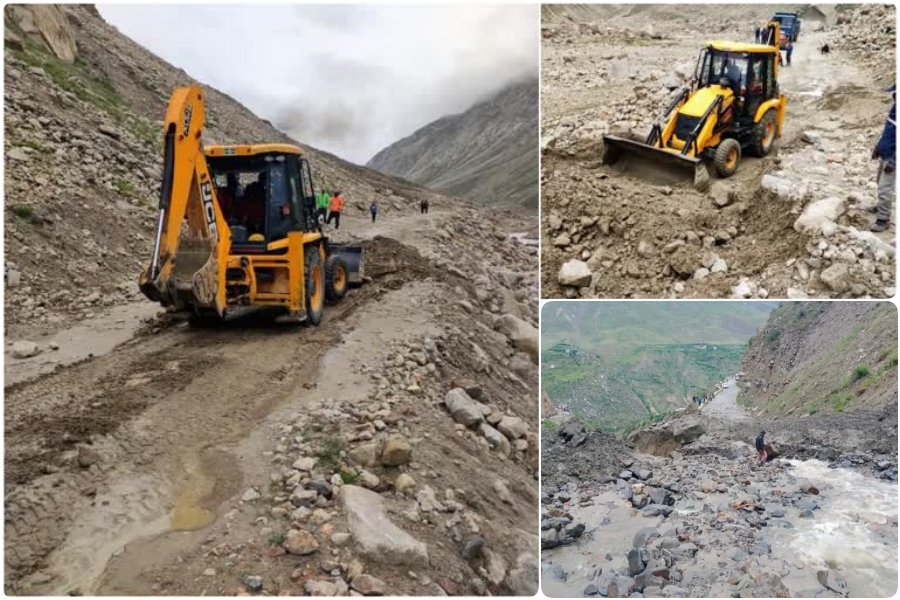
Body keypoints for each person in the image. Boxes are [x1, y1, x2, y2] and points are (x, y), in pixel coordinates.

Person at [870, 84, 896, 232]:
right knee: (879, 181)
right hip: (885, 152)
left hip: (892, 157)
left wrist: (894, 161)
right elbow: (887, 132)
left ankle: (883, 219)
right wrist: (878, 148)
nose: (893, 97)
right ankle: (880, 207)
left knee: (885, 188)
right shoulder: (894, 110)